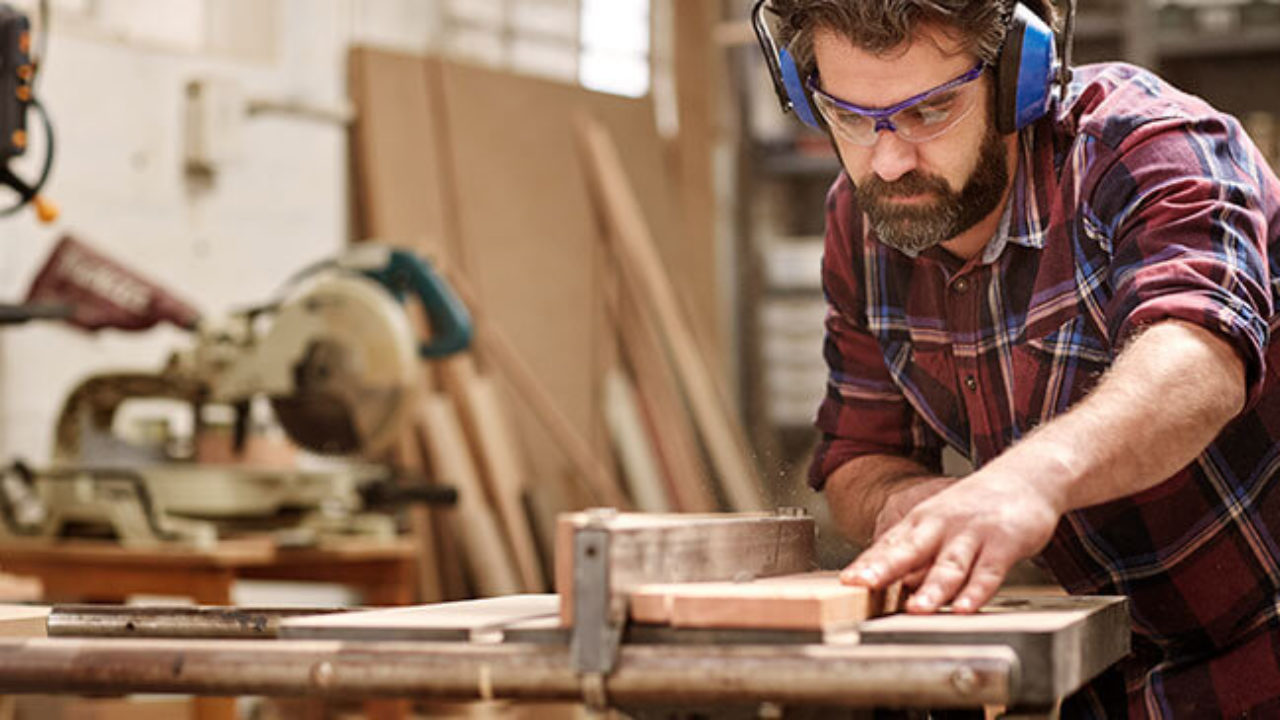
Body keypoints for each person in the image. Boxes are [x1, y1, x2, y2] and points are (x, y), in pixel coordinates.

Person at [755, 0, 1280, 716]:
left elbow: (1199, 357)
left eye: (930, 110)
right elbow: (856, 453)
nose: (887, 160)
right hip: (1112, 664)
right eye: (851, 117)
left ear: (1018, 83)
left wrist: (1030, 480)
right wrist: (899, 499)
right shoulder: (862, 220)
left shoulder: (1146, 142)